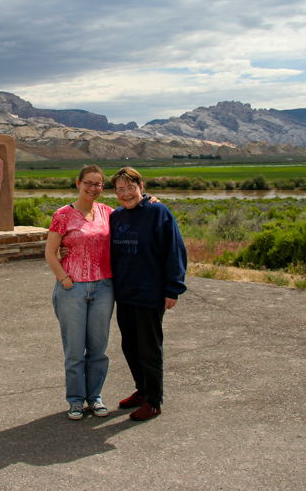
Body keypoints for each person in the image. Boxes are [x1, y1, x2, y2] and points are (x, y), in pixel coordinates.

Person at [109, 167, 187, 421]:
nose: (126, 193)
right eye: (120, 189)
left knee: (149, 349)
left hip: (150, 293)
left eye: (131, 187)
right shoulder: (116, 216)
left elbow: (175, 249)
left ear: (141, 187)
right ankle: (142, 390)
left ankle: (154, 401)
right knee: (130, 346)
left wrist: (173, 287)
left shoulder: (157, 211)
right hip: (125, 292)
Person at [45, 165, 115, 420]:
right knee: (74, 350)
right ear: (78, 183)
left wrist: (151, 200)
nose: (93, 188)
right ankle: (75, 400)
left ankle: (94, 397)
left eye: (98, 184)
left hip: (104, 289)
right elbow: (50, 253)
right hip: (72, 289)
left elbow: (136, 214)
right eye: (89, 183)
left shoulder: (109, 213)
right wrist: (64, 280)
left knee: (98, 349)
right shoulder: (63, 215)